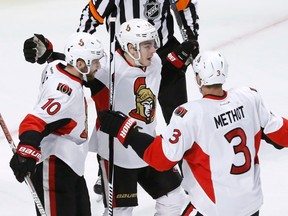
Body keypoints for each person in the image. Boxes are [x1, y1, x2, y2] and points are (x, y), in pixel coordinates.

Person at [23, 0, 200, 197]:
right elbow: (90, 19)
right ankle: (106, 169)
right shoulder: (108, 68)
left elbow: (185, 4)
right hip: (123, 57)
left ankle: (191, 171)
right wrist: (72, 52)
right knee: (113, 115)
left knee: (179, 117)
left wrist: (191, 41)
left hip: (161, 52)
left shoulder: (157, 60)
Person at [98, 50, 288, 216]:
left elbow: (161, 158)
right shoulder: (249, 97)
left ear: (198, 78)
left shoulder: (190, 115)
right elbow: (282, 136)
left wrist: (126, 129)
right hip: (251, 204)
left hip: (215, 209)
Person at [10, 32, 105, 216]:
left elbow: (57, 61)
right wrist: (26, 151)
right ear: (80, 64)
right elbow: (34, 121)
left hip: (72, 168)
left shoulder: (57, 66)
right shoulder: (64, 94)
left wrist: (48, 52)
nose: (98, 66)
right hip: (54, 169)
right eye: (94, 62)